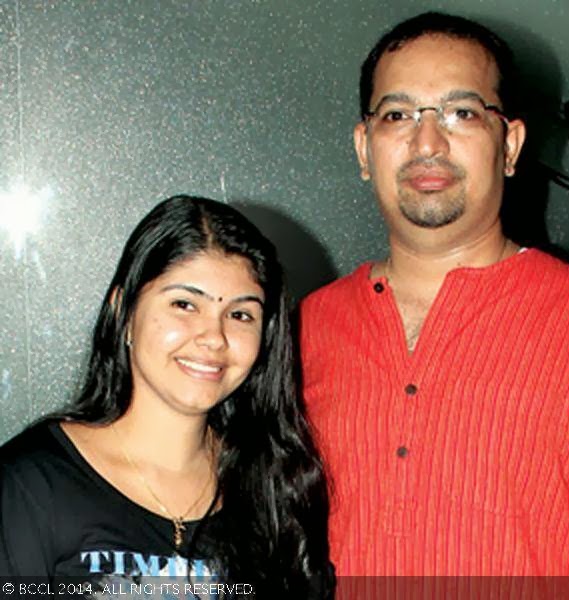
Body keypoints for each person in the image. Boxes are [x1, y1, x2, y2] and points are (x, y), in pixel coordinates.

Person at [299, 11, 569, 584]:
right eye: (398, 115)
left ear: (509, 145)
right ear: (365, 149)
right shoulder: (303, 329)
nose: (427, 141)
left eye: (462, 113)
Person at [0, 195, 332, 598]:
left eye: (241, 314)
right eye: (184, 304)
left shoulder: (275, 485)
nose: (214, 337)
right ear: (123, 312)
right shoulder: (30, 486)